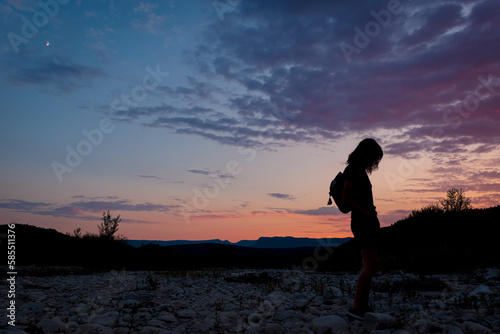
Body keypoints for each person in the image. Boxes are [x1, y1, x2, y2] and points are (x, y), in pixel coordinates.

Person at [342, 138, 383, 320]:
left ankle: (363, 304)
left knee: (370, 263)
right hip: (362, 221)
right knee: (370, 264)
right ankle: (358, 305)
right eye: (375, 158)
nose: (375, 162)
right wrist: (365, 213)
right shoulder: (353, 170)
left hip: (367, 220)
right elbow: (345, 199)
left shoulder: (358, 171)